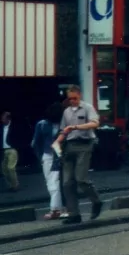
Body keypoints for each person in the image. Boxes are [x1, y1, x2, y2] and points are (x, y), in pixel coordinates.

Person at [57, 86, 103, 224]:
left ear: (79, 95)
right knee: (67, 183)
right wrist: (57, 143)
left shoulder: (88, 108)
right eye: (70, 98)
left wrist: (76, 127)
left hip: (85, 144)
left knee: (81, 179)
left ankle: (96, 201)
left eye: (75, 98)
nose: (72, 101)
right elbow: (63, 130)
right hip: (69, 146)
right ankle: (74, 214)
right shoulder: (66, 112)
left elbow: (95, 123)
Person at [32, 103, 65, 219]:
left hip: (49, 156)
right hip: (58, 155)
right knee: (55, 182)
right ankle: (58, 208)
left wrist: (40, 157)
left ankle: (55, 209)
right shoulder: (62, 124)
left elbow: (35, 143)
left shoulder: (41, 124)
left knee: (52, 182)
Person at [1, 111, 25, 192]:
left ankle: (15, 185)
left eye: (3, 118)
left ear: (8, 118)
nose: (2, 120)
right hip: (3, 150)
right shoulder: (2, 127)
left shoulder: (14, 126)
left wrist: (17, 146)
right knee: (4, 169)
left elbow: (20, 136)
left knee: (11, 168)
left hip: (12, 149)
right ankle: (11, 185)